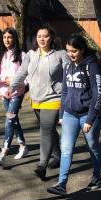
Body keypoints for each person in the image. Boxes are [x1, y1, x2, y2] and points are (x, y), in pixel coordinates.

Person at [47, 34, 101, 196]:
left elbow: (98, 94)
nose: (70, 54)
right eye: (68, 51)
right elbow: (64, 92)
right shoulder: (68, 67)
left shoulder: (92, 66)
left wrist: (90, 119)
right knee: (66, 150)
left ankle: (97, 177)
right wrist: (61, 114)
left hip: (88, 115)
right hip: (70, 115)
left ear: (82, 50)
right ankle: (61, 184)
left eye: (74, 51)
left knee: (92, 147)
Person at [10, 26, 69, 179]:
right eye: (39, 36)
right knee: (49, 130)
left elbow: (69, 75)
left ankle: (42, 164)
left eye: (45, 36)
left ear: (52, 38)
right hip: (36, 99)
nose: (42, 39)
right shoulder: (30, 55)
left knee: (45, 129)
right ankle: (57, 156)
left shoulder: (60, 55)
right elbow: (22, 72)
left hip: (54, 97)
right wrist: (13, 86)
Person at [0, 27, 28, 167]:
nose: (7, 40)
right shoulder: (0, 56)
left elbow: (28, 76)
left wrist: (16, 82)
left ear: (14, 38)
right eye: (4, 37)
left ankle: (3, 153)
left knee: (9, 121)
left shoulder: (22, 56)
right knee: (13, 120)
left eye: (9, 37)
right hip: (4, 94)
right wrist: (3, 78)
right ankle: (23, 146)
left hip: (17, 94)